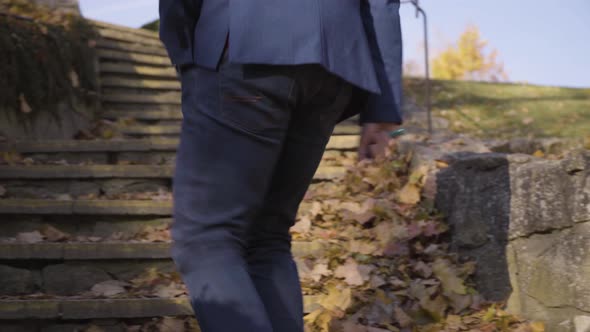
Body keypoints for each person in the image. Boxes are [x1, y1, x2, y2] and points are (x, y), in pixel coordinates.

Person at [159, 1, 403, 331]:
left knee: (205, 240)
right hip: (334, 67)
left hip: (244, 45)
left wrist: (187, 54)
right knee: (267, 238)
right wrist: (382, 106)